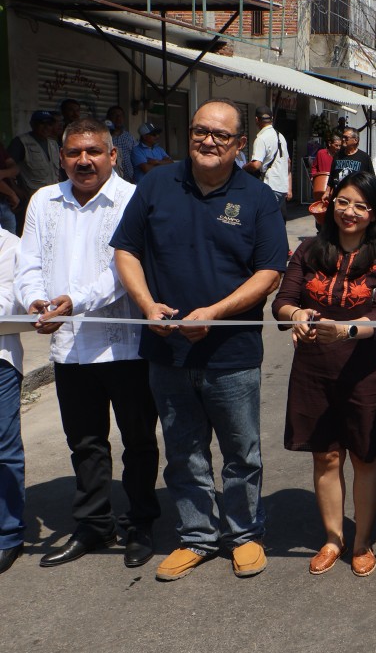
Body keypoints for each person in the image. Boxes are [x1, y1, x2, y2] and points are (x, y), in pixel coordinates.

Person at [112, 98, 288, 582]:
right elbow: (125, 251)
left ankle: (245, 534)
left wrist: (215, 313)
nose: (208, 141)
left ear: (238, 144)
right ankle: (197, 536)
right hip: (166, 350)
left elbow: (270, 272)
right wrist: (147, 306)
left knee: (241, 452)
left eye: (220, 135)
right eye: (199, 131)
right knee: (183, 450)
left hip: (231, 353)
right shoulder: (156, 184)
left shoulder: (257, 198)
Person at [16, 119, 160, 570]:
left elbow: (125, 270)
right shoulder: (44, 200)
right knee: (84, 441)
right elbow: (28, 263)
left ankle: (140, 522)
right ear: (61, 158)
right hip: (68, 346)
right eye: (74, 152)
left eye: (94, 151)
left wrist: (72, 301)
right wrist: (35, 302)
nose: (84, 161)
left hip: (126, 346)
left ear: (113, 155)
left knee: (138, 439)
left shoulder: (133, 199)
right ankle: (94, 524)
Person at [271, 172, 376, 578]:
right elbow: (283, 302)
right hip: (314, 369)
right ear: (331, 203)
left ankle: (362, 541)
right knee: (325, 455)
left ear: (374, 214)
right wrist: (299, 315)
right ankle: (333, 538)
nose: (350, 212)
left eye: (361, 206)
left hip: (364, 369)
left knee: (365, 456)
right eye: (343, 202)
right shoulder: (309, 249)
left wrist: (344, 328)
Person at [0, 229, 24, 574]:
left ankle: (8, 534)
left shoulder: (8, 245)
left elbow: (11, 302)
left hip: (0, 359)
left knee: (3, 448)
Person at [244, 105, 292, 219]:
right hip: (282, 186)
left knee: (263, 219)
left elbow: (256, 165)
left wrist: (243, 167)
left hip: (270, 185)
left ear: (256, 120)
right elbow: (288, 162)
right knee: (274, 218)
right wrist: (289, 187)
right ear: (272, 118)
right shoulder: (281, 136)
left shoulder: (261, 138)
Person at [8, 110, 62, 194]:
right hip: (31, 196)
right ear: (32, 124)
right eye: (42, 123)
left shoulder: (53, 144)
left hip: (53, 195)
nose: (46, 127)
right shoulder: (21, 142)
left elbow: (57, 172)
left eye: (49, 124)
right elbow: (8, 168)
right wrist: (16, 191)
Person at [106, 106, 138, 183]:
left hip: (128, 180)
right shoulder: (104, 137)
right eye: (115, 115)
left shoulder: (129, 137)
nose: (118, 118)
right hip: (109, 180)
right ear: (109, 118)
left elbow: (135, 158)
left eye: (120, 116)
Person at [310, 132, 342, 201]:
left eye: (340, 146)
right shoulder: (321, 153)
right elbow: (314, 167)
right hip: (322, 183)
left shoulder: (341, 157)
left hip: (335, 185)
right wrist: (313, 176)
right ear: (330, 144)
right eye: (336, 145)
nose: (338, 148)